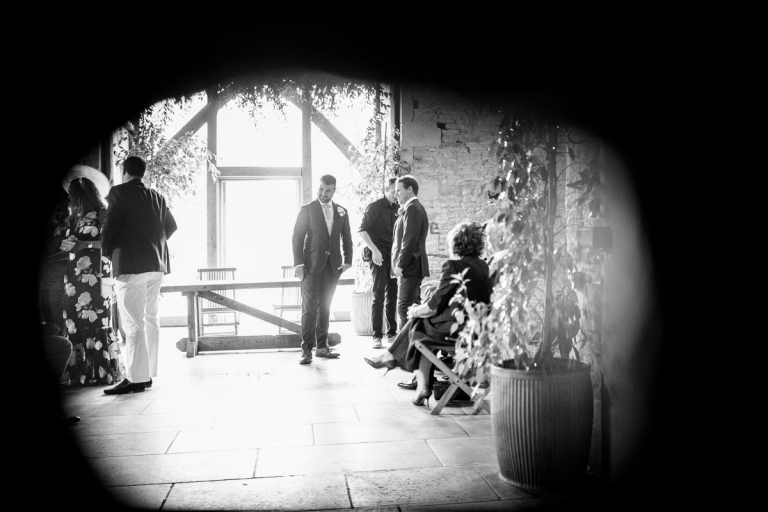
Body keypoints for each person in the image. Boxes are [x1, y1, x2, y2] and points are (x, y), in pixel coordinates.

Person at [364, 221, 493, 407]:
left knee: (418, 326)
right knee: (421, 331)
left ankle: (397, 363)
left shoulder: (454, 266)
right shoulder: (484, 266)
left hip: (459, 332)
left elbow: (434, 305)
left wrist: (415, 310)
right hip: (479, 330)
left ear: (455, 242)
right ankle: (416, 383)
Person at [101, 155, 177, 394]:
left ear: (124, 170)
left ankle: (135, 379)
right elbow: (171, 227)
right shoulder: (157, 196)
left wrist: (106, 252)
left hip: (131, 265)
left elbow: (111, 225)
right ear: (142, 172)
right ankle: (148, 374)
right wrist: (153, 243)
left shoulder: (118, 193)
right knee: (150, 319)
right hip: (157, 265)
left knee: (133, 323)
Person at [60, 165, 120, 387]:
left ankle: (100, 371)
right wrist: (68, 245)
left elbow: (110, 242)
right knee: (75, 323)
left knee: (99, 320)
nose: (71, 201)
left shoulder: (103, 213)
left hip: (101, 275)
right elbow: (70, 243)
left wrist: (85, 244)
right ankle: (80, 372)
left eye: (74, 196)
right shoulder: (72, 217)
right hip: (74, 278)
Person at [292, 175, 353, 365]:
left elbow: (347, 237)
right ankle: (306, 350)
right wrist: (299, 264)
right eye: (321, 189)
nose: (323, 194)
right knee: (309, 309)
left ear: (334, 190)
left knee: (325, 307)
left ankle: (322, 347)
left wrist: (348, 260)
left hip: (333, 267)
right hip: (310, 267)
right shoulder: (307, 210)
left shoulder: (342, 211)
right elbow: (297, 237)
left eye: (327, 190)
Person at [358, 176, 399, 349]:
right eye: (394, 191)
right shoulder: (375, 207)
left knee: (393, 294)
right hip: (378, 254)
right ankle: (376, 335)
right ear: (387, 190)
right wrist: (374, 250)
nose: (397, 195)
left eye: (399, 192)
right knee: (378, 295)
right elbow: (362, 230)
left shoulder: (399, 208)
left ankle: (392, 332)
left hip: (393, 255)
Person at [392, 175, 430, 332]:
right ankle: (414, 348)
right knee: (413, 307)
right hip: (413, 264)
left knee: (404, 308)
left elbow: (410, 240)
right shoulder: (412, 208)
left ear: (410, 189)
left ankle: (402, 352)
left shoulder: (413, 208)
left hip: (411, 265)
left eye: (398, 190)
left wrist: (401, 264)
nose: (396, 194)